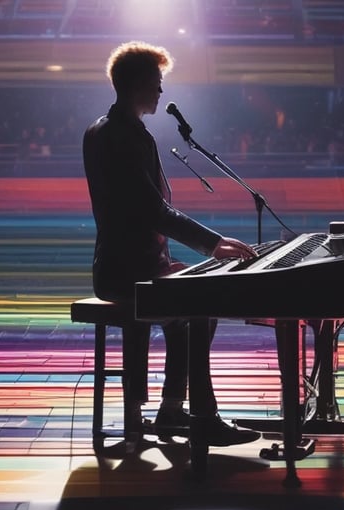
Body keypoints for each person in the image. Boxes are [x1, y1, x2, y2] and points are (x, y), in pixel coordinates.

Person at [82, 41, 261, 447]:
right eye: (157, 84)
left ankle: (171, 411)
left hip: (123, 265)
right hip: (130, 272)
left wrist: (176, 261)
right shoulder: (124, 137)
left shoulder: (103, 130)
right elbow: (152, 210)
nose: (162, 92)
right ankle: (199, 415)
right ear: (138, 85)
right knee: (202, 305)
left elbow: (138, 214)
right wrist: (212, 244)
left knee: (193, 305)